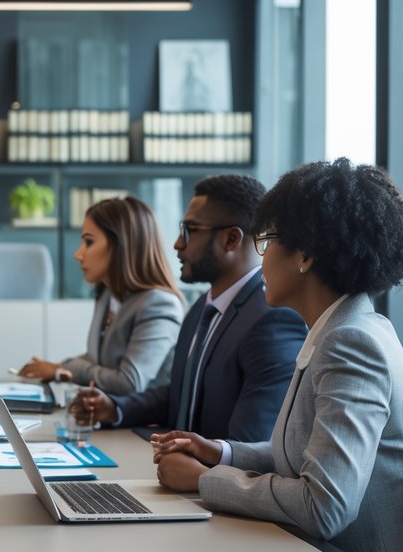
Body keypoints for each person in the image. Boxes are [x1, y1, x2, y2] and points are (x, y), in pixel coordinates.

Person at [153, 159, 403, 552]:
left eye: (266, 241)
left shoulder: (352, 344)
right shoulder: (336, 332)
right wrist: (223, 454)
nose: (259, 259)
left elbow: (324, 506)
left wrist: (203, 480)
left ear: (304, 255)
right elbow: (306, 455)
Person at [69, 175, 306, 441]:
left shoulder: (271, 320)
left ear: (230, 240)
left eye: (189, 231)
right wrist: (116, 409)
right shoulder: (201, 310)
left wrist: (195, 468)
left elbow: (252, 444)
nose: (177, 244)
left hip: (209, 479)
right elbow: (182, 394)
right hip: (173, 469)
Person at [16, 196, 184, 395]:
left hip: (144, 423)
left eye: (89, 242)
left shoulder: (159, 304)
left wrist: (63, 370)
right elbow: (99, 360)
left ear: (121, 245)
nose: (78, 254)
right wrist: (57, 367)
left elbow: (128, 383)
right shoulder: (107, 294)